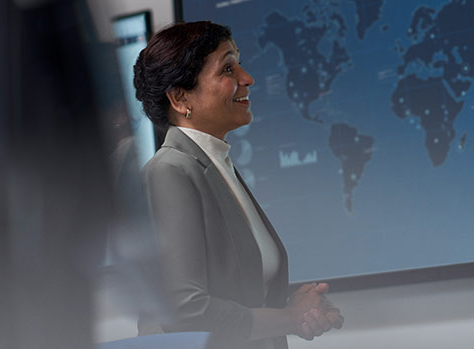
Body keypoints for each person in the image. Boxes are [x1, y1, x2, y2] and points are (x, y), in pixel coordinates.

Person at [133, 21, 343, 349]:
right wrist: (290, 318)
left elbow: (233, 289)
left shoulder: (217, 165)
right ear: (179, 97)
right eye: (228, 68)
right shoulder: (169, 171)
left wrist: (298, 307)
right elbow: (186, 312)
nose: (247, 79)